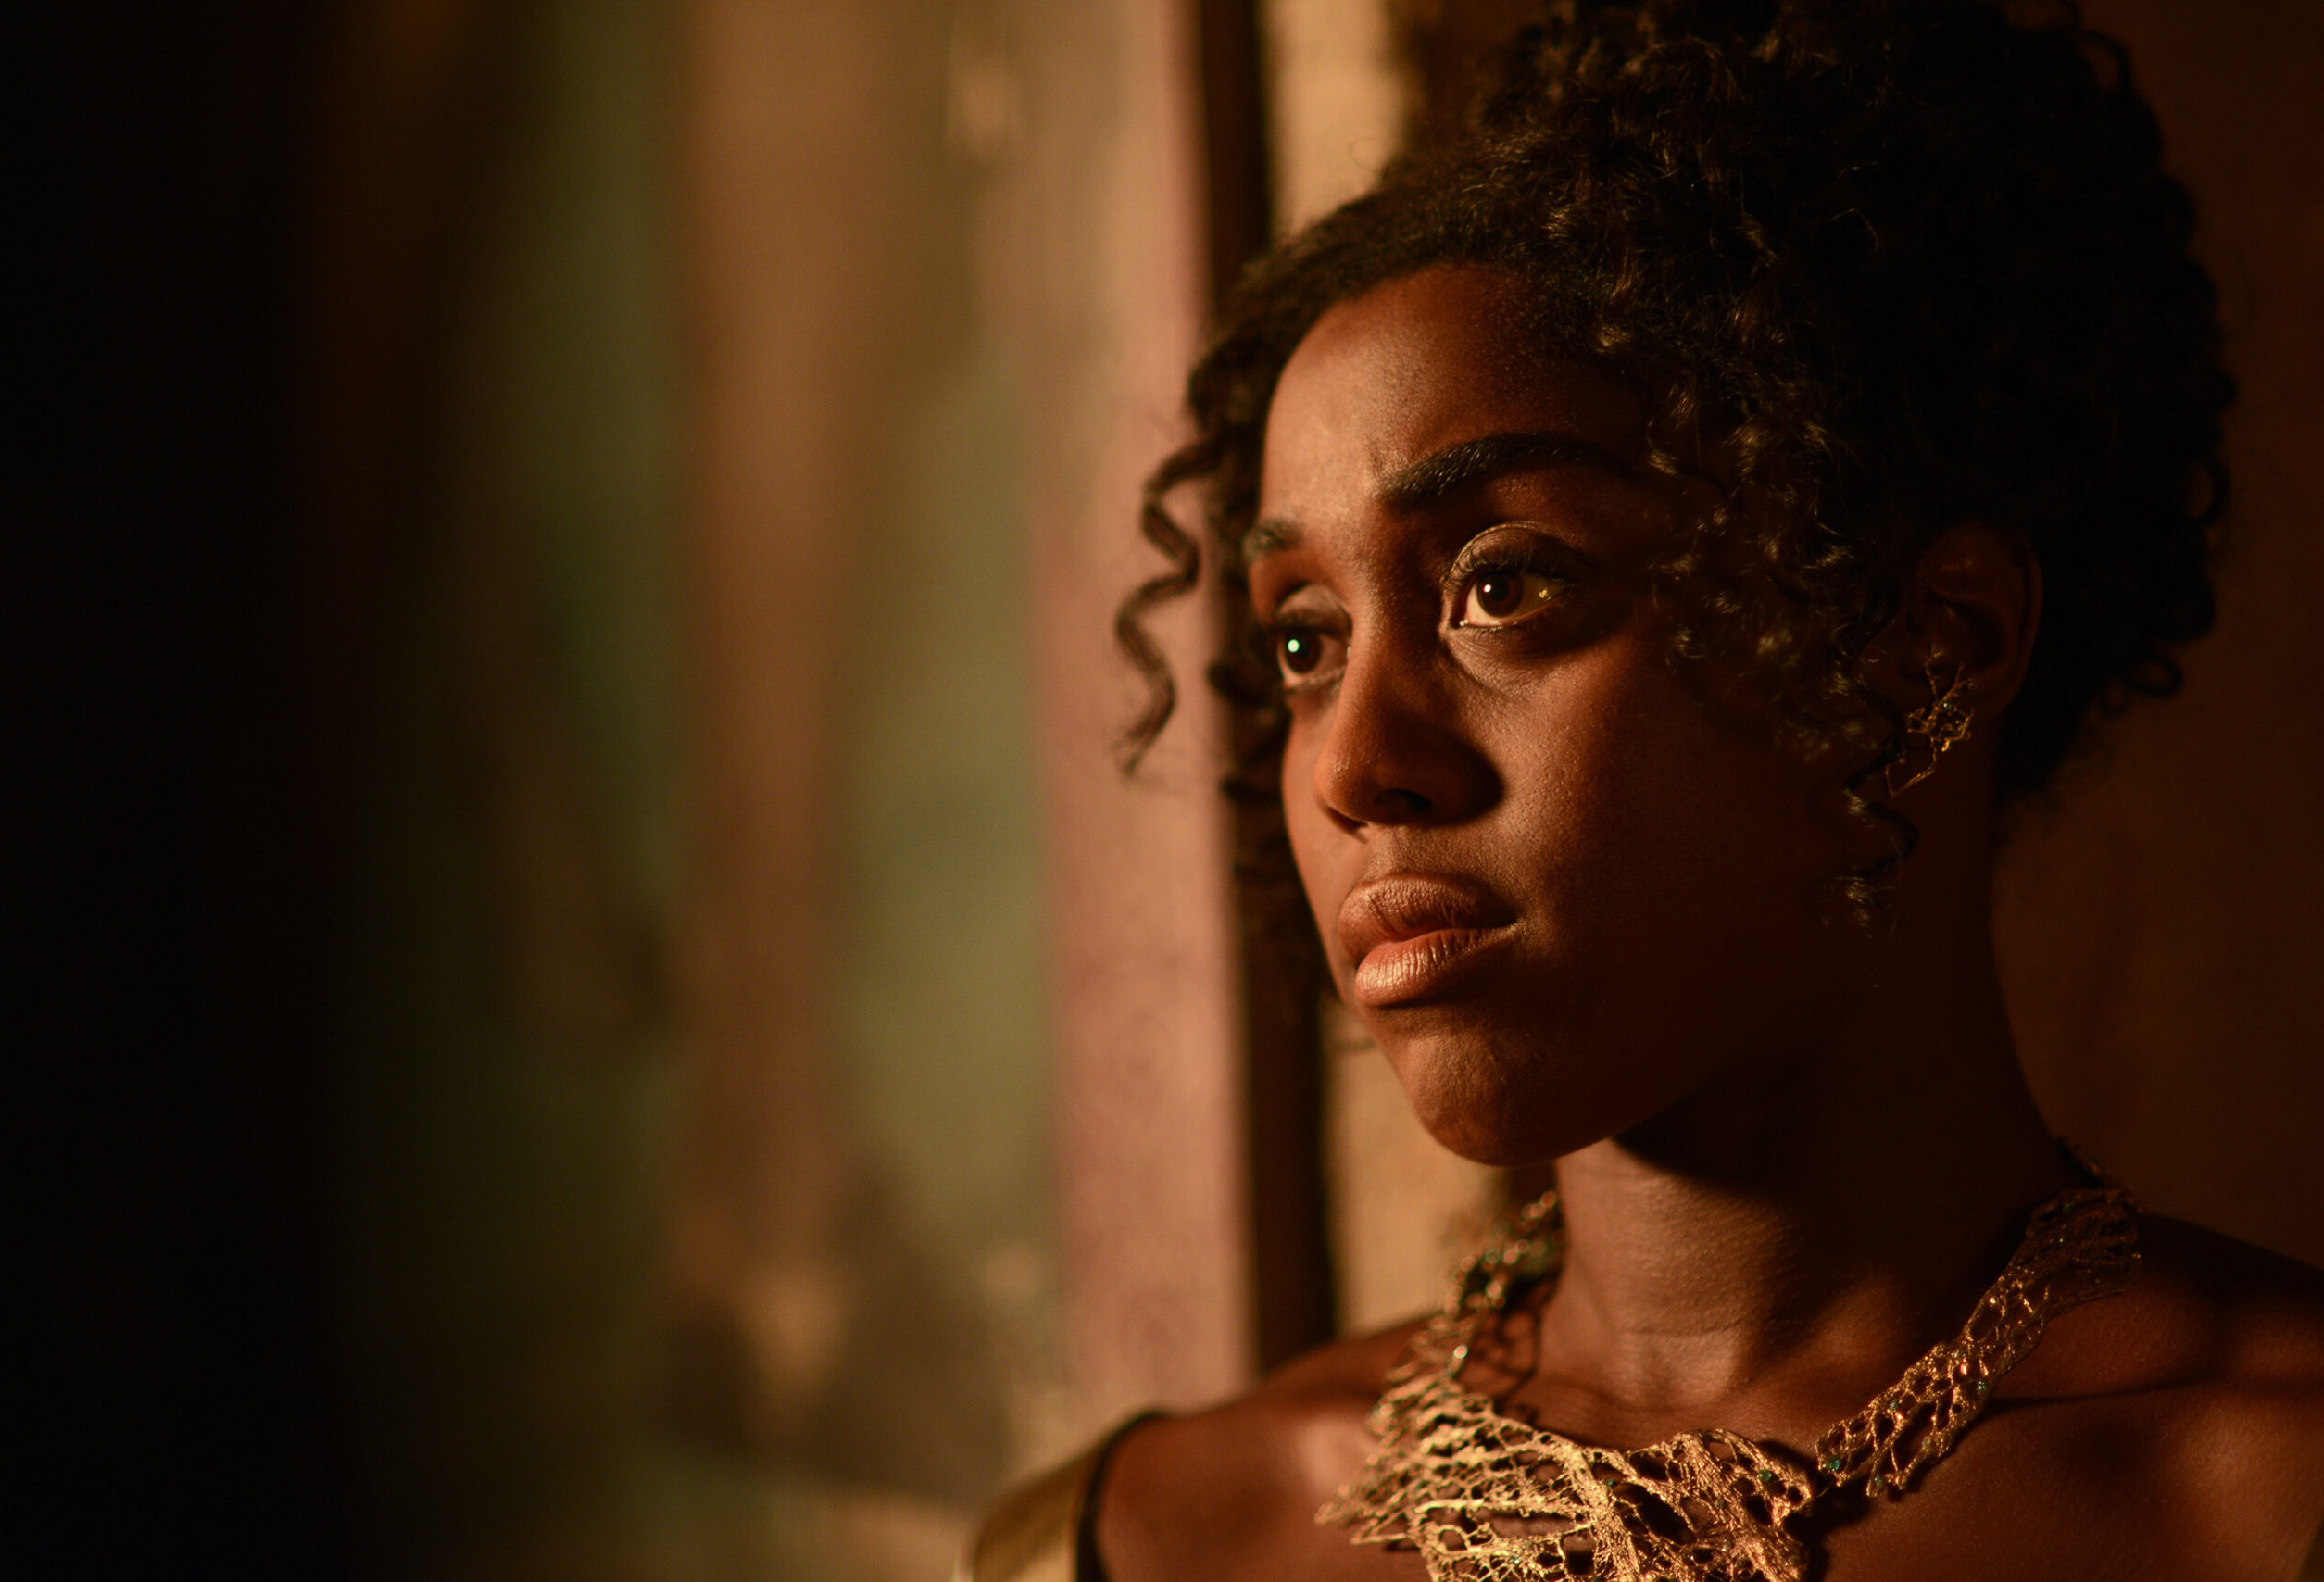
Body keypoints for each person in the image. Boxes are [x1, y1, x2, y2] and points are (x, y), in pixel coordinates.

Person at [966, 2, 2324, 1577]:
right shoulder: (1142, 1543)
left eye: (1505, 585)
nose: (1353, 766)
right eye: (1304, 641)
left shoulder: (2259, 1505)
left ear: (1925, 647)